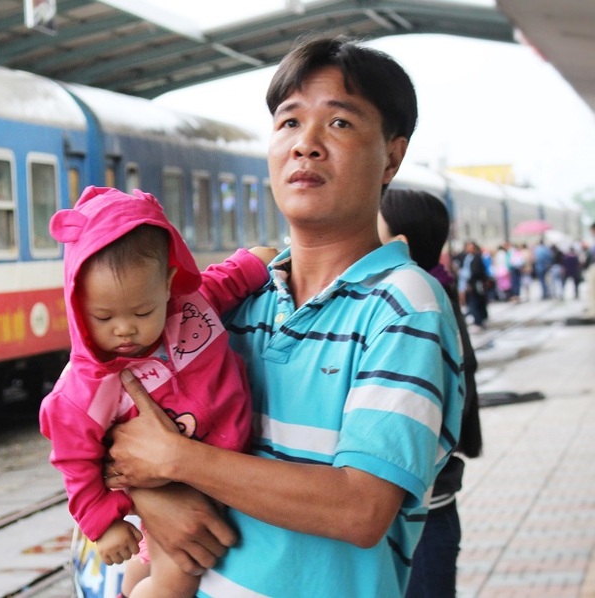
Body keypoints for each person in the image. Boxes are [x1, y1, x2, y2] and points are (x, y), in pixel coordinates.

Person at [103, 35, 464, 597]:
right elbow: (121, 426)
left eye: (340, 124)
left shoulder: (403, 304)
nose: (307, 145)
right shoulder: (240, 301)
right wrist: (156, 496)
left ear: (392, 156)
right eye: (289, 123)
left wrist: (179, 460)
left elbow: (360, 509)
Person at [40, 186, 276, 597]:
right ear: (77, 303)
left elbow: (228, 279)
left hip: (209, 467)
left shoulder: (192, 307)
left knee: (145, 569)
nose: (124, 329)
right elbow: (73, 458)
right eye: (102, 316)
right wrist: (103, 521)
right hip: (171, 486)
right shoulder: (87, 385)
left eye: (142, 311)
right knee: (175, 581)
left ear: (168, 285)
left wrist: (259, 260)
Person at [379, 188, 483, 598]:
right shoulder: (431, 295)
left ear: (398, 244)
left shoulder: (422, 310)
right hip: (425, 513)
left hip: (418, 519)